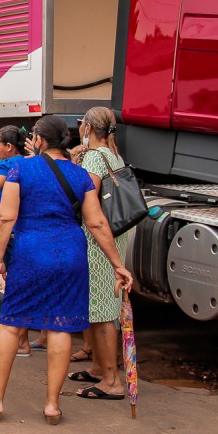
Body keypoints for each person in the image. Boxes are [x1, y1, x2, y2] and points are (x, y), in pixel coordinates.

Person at [0, 114, 133, 425]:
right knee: (60, 326)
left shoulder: (20, 168)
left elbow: (6, 218)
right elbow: (97, 222)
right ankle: (51, 405)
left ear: (38, 140)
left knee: (11, 324)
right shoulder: (79, 175)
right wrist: (118, 264)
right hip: (71, 255)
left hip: (30, 253)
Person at [69, 107, 135, 400]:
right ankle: (98, 368)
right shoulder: (113, 154)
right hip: (114, 234)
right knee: (100, 305)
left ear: (89, 128)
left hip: (98, 239)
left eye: (82, 124)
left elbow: (87, 195)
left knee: (102, 309)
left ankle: (111, 380)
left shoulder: (95, 157)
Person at [0, 126, 38, 357]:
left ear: (9, 147)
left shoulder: (7, 166)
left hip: (12, 229)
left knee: (15, 284)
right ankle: (37, 337)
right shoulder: (32, 163)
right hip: (31, 228)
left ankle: (21, 342)